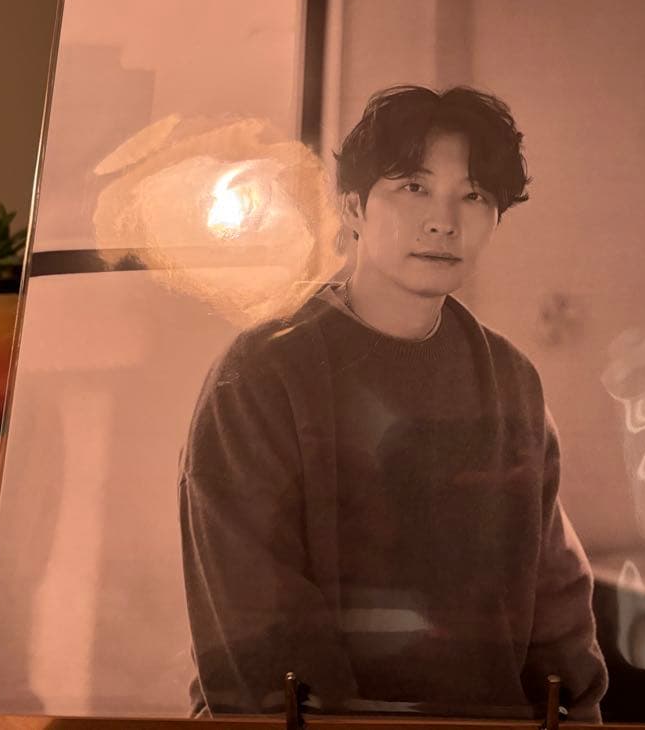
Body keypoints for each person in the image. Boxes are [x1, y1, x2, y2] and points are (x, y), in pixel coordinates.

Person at [179, 85, 608, 720]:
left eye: (474, 196)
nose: (444, 220)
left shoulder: (511, 379)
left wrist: (579, 713)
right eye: (413, 186)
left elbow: (556, 596)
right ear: (353, 205)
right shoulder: (263, 372)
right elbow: (254, 620)